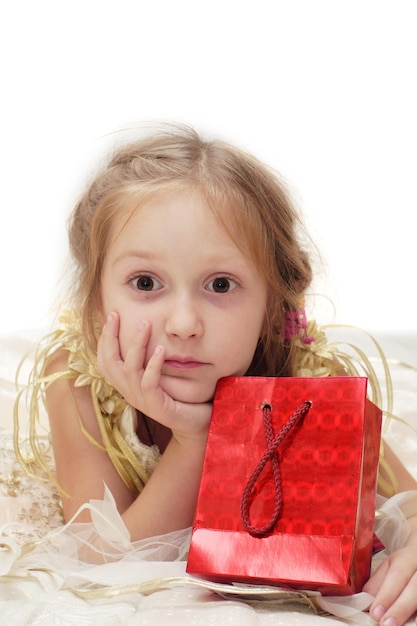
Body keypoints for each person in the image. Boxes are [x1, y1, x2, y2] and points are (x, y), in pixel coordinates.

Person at [13, 123, 417, 626]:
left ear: (273, 304)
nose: (183, 325)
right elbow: (104, 560)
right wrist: (193, 439)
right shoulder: (77, 382)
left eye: (221, 284)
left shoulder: (305, 379)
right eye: (145, 282)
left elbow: (410, 503)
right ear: (97, 300)